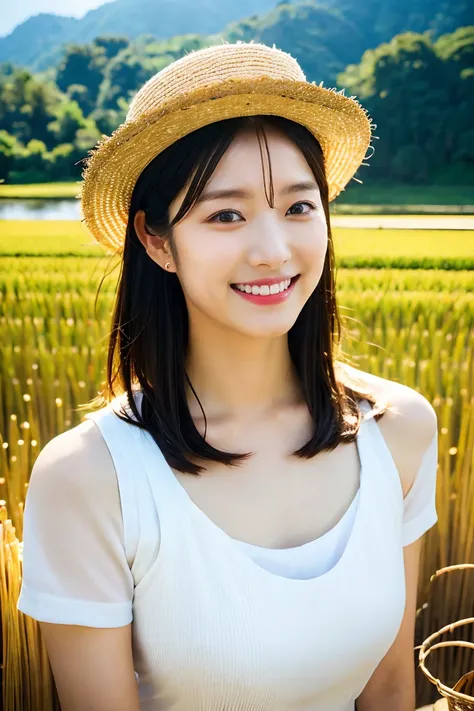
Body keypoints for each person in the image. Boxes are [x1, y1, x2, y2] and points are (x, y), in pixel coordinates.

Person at [17, 42, 438, 711]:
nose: (273, 250)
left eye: (299, 207)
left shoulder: (400, 432)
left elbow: (389, 689)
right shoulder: (90, 478)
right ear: (156, 240)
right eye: (226, 214)